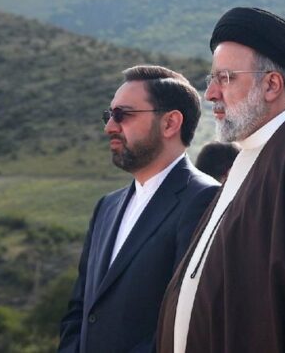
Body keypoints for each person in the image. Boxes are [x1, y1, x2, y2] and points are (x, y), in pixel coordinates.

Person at [156, 7, 285, 353]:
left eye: (226, 78)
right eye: (212, 80)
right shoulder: (249, 156)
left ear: (271, 84)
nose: (211, 95)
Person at [58, 65, 218, 353]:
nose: (109, 127)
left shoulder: (204, 200)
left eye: (122, 115)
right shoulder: (106, 207)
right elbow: (80, 310)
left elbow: (186, 319)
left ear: (170, 123)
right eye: (109, 115)